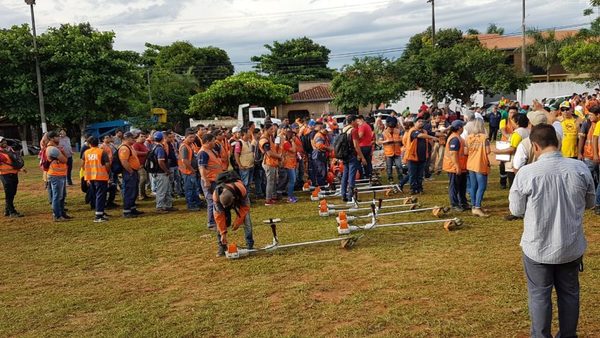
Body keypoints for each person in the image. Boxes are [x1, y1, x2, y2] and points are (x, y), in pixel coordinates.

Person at [509, 124, 595, 338]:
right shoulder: (580, 168)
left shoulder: (526, 173)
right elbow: (590, 203)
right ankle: (568, 334)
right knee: (569, 294)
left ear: (535, 146)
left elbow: (516, 209)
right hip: (570, 245)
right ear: (557, 142)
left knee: (539, 295)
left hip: (537, 246)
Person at [214, 176, 254, 257]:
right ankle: (222, 246)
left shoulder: (241, 189)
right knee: (220, 223)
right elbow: (219, 217)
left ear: (233, 198)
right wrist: (223, 233)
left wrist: (238, 221)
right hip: (222, 202)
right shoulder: (216, 196)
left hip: (239, 198)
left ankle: (249, 245)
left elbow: (245, 207)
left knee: (247, 220)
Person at [404, 118, 438, 194]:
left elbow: (434, 133)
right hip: (412, 157)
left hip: (422, 157)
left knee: (420, 175)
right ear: (415, 123)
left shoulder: (424, 131)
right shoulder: (413, 131)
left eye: (422, 121)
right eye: (419, 121)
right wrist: (432, 137)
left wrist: (444, 133)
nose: (421, 123)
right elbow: (420, 135)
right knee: (412, 175)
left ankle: (420, 188)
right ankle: (413, 189)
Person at [465, 119, 491, 217]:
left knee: (473, 186)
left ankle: (474, 206)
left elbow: (465, 152)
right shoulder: (485, 138)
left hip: (471, 164)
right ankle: (477, 207)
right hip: (480, 163)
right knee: (482, 186)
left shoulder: (468, 137)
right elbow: (488, 151)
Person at [82, 136, 110, 223]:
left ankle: (100, 212)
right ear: (98, 142)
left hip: (90, 177)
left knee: (96, 195)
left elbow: (82, 165)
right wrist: (107, 173)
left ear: (89, 144)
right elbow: (107, 165)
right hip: (100, 177)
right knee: (101, 196)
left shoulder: (86, 153)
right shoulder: (102, 152)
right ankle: (99, 215)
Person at [340, 115, 367, 202]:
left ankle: (343, 194)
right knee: (352, 176)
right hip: (352, 155)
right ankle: (350, 196)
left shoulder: (344, 129)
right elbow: (356, 145)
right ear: (352, 121)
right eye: (356, 121)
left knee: (345, 175)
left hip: (344, 155)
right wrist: (362, 157)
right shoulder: (353, 131)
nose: (357, 123)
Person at [443, 120, 468, 212]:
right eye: (462, 126)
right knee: (454, 186)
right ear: (459, 128)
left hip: (461, 166)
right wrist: (457, 166)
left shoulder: (458, 137)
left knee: (462, 186)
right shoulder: (455, 139)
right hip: (454, 167)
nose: (463, 128)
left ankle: (463, 203)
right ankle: (454, 204)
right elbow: (453, 154)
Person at [199, 133, 223, 229]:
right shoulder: (203, 152)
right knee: (211, 201)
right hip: (209, 180)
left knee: (217, 201)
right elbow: (202, 168)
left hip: (215, 179)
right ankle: (211, 223)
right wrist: (206, 181)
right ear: (208, 141)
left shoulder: (210, 150)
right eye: (213, 140)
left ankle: (217, 220)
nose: (215, 142)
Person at [46, 131, 71, 221]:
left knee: (62, 195)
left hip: (60, 174)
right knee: (57, 196)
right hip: (56, 175)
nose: (59, 138)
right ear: (52, 138)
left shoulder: (55, 148)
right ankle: (57, 215)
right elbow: (65, 160)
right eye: (57, 137)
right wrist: (63, 152)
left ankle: (61, 213)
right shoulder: (53, 149)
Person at [118, 132, 142, 218]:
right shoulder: (124, 148)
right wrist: (131, 171)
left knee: (134, 191)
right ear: (127, 138)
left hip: (132, 171)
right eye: (132, 138)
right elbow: (124, 161)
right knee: (129, 192)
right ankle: (127, 211)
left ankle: (132, 208)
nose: (134, 139)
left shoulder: (129, 147)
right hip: (129, 172)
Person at [0, 136, 26, 217]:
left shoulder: (10, 149)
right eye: (1, 142)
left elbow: (14, 162)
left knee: (13, 193)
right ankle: (12, 212)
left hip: (14, 173)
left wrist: (20, 169)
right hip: (5, 175)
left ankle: (7, 210)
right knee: (9, 193)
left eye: (4, 141)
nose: (4, 143)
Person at [152, 132, 176, 213]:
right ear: (162, 138)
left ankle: (168, 205)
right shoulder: (160, 148)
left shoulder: (155, 147)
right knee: (162, 190)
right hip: (161, 172)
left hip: (160, 172)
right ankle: (160, 207)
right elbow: (160, 162)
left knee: (167, 189)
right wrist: (167, 171)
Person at [259, 123, 282, 206]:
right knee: (270, 181)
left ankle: (272, 196)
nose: (273, 131)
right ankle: (268, 199)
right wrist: (279, 156)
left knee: (273, 181)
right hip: (269, 163)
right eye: (271, 129)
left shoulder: (269, 138)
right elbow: (269, 153)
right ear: (266, 130)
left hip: (272, 162)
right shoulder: (264, 140)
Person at [179, 128, 201, 211]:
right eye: (190, 137)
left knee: (194, 188)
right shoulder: (184, 147)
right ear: (186, 137)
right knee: (189, 189)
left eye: (194, 137)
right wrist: (191, 169)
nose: (193, 139)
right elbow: (184, 160)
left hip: (190, 171)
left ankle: (196, 202)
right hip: (187, 171)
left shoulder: (189, 145)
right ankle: (191, 205)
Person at [381, 116, 403, 184]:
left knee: (399, 166)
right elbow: (379, 142)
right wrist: (386, 141)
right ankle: (390, 179)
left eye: (393, 127)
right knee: (389, 167)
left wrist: (396, 140)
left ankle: (401, 179)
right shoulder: (383, 133)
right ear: (387, 125)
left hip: (397, 152)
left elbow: (402, 139)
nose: (391, 129)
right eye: (390, 127)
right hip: (388, 153)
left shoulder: (398, 131)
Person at [101, 135, 119, 209]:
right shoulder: (102, 147)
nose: (108, 138)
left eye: (108, 137)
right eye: (106, 137)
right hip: (107, 167)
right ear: (103, 139)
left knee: (114, 184)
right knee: (108, 185)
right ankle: (106, 202)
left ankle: (111, 201)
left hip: (113, 166)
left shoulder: (112, 145)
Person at [311, 121, 331, 188]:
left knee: (323, 170)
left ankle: (322, 185)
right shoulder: (319, 136)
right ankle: (321, 186)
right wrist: (329, 148)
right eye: (326, 131)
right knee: (321, 171)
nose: (327, 132)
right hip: (319, 154)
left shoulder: (323, 135)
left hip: (322, 154)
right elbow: (319, 145)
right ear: (322, 129)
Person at [282, 126, 298, 203]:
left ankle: (291, 195)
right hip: (288, 164)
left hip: (292, 163)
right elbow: (294, 150)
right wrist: (292, 141)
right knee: (292, 180)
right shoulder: (286, 143)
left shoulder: (288, 143)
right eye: (293, 136)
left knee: (292, 180)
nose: (295, 137)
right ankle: (289, 197)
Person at [132, 132, 150, 200]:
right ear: (137, 138)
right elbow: (135, 152)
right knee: (143, 179)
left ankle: (143, 194)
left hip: (144, 165)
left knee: (144, 180)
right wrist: (146, 153)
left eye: (144, 136)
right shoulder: (136, 144)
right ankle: (140, 195)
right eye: (141, 136)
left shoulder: (143, 145)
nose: (144, 138)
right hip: (139, 166)